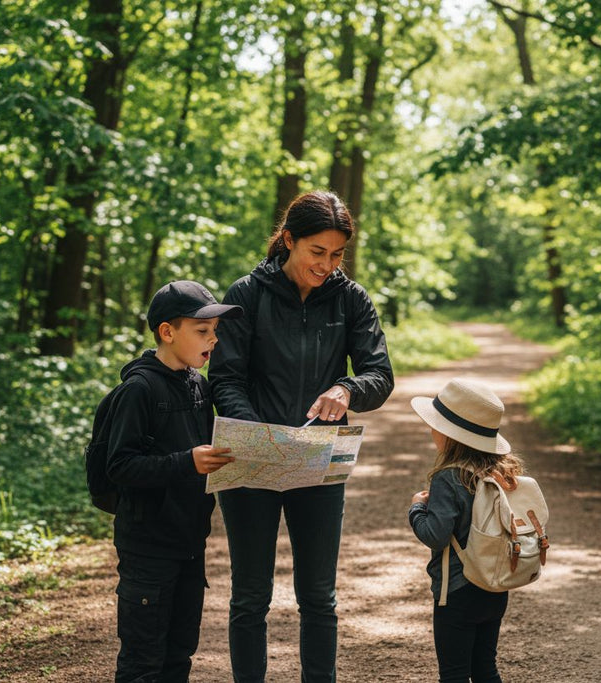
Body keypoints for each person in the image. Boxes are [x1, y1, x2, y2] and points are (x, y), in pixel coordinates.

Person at [209, 190, 394, 682]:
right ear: (289, 240)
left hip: (319, 460)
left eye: (337, 255)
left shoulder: (351, 299)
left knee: (319, 597)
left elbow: (380, 375)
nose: (327, 265)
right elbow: (225, 377)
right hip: (251, 459)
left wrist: (346, 388)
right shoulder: (246, 294)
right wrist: (258, 434)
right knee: (250, 597)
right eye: (318, 252)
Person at [105, 280, 243, 683]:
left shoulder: (198, 385)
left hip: (188, 543)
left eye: (215, 332)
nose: (213, 341)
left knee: (179, 654)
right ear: (167, 332)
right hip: (147, 546)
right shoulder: (138, 390)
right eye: (202, 332)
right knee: (143, 661)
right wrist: (187, 462)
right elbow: (121, 466)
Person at [407, 378, 524, 683]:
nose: (430, 430)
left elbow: (435, 534)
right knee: (485, 667)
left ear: (449, 435)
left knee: (454, 674)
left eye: (434, 425)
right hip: (495, 586)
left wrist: (417, 509)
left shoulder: (448, 477)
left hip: (456, 592)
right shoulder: (500, 472)